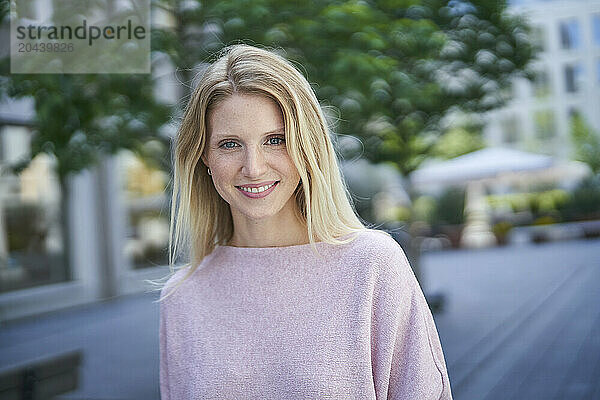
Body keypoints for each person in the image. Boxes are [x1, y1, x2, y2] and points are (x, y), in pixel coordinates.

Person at [156, 44, 453, 399]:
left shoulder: (373, 266)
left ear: (306, 146)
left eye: (276, 140)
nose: (253, 167)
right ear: (204, 155)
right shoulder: (183, 296)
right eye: (230, 144)